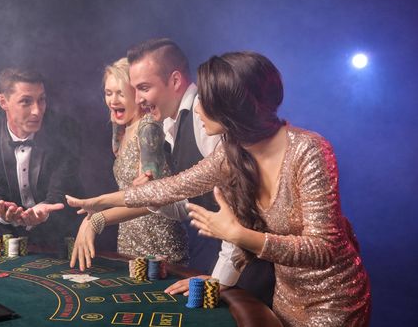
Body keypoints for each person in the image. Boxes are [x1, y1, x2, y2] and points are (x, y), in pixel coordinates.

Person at [68, 51, 372, 326]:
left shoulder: (310, 150)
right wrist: (103, 202)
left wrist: (240, 236)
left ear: (231, 108)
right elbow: (173, 187)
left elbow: (324, 249)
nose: (198, 108)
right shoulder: (232, 150)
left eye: (207, 101)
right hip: (285, 296)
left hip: (332, 301)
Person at [69, 38, 276, 308]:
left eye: (144, 88)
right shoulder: (169, 124)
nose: (139, 98)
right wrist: (149, 198)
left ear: (175, 81)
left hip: (253, 264)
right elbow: (185, 202)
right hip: (228, 260)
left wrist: (220, 278)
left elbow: (242, 211)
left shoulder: (206, 118)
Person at [73, 58, 187, 266]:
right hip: (128, 243)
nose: (113, 100)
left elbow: (152, 198)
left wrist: (97, 219)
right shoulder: (120, 130)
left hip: (158, 248)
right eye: (108, 93)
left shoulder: (148, 128)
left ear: (136, 95)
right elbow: (128, 190)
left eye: (120, 93)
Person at [0, 68, 84, 246]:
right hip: (10, 238)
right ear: (3, 101)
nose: (37, 111)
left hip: (60, 236)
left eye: (42, 100)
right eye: (26, 101)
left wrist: (44, 210)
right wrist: (3, 212)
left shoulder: (65, 128)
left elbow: (61, 190)